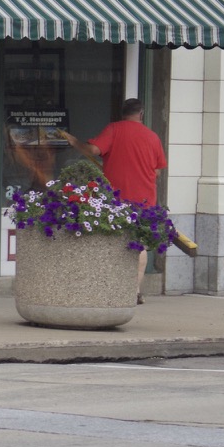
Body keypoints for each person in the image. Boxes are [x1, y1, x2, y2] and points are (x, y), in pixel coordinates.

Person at [63, 98, 167, 304]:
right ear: (141, 114)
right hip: (146, 200)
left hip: (117, 199)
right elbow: (157, 171)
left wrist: (75, 142)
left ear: (122, 113)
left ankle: (110, 286)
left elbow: (94, 150)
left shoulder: (114, 129)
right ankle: (134, 290)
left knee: (112, 240)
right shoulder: (153, 137)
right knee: (139, 245)